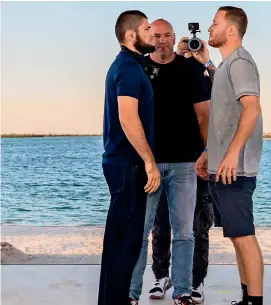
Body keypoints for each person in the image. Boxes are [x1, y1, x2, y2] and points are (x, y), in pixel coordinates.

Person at [180, 6, 264, 305]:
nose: (210, 28)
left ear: (231, 29)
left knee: (244, 236)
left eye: (215, 23)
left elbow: (251, 108)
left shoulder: (241, 62)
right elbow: (224, 112)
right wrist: (208, 153)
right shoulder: (228, 65)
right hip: (223, 165)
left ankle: (255, 301)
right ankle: (246, 298)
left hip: (235, 168)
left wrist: (230, 156)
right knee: (236, 237)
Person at [129, 19, 211, 305]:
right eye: (156, 36)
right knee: (140, 233)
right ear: (148, 37)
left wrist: (207, 151)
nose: (162, 41)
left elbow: (204, 115)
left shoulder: (190, 69)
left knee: (185, 233)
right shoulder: (138, 67)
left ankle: (183, 291)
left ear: (174, 37)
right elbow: (130, 117)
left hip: (185, 164)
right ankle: (131, 293)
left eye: (167, 36)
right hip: (148, 164)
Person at [98, 10, 161, 305]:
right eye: (147, 28)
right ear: (130, 34)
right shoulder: (127, 67)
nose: (153, 33)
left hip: (124, 163)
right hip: (127, 164)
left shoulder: (131, 65)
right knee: (123, 242)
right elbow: (127, 117)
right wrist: (149, 161)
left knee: (125, 241)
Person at [148, 62, 214, 304]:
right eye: (184, 50)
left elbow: (222, 98)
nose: (188, 56)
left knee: (197, 226)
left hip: (197, 162)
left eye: (193, 52)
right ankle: (161, 276)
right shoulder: (161, 74)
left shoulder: (204, 76)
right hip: (165, 161)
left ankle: (195, 281)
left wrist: (207, 63)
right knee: (161, 223)